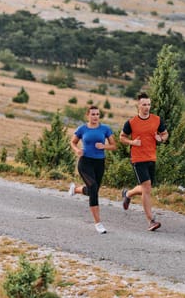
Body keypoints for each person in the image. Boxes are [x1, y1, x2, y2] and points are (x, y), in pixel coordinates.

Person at [119, 92, 169, 231]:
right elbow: (122, 137)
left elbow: (165, 133)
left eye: (148, 104)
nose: (147, 107)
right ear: (138, 105)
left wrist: (161, 139)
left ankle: (127, 194)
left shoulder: (157, 120)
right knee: (146, 188)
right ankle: (150, 221)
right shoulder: (131, 122)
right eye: (144, 105)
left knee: (145, 188)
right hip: (137, 159)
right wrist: (132, 142)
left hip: (151, 158)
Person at [69, 105, 116, 234]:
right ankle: (98, 223)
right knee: (94, 188)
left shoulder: (105, 129)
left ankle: (76, 189)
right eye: (93, 114)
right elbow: (72, 142)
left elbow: (114, 146)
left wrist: (104, 146)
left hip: (99, 163)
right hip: (85, 162)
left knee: (92, 190)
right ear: (87, 115)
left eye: (97, 114)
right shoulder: (82, 129)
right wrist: (77, 150)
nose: (95, 116)